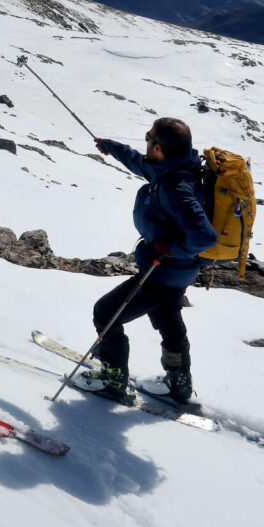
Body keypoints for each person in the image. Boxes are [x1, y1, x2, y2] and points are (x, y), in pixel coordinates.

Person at [77, 118, 217, 404]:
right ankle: (178, 383)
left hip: (163, 271)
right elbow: (142, 164)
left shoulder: (175, 187)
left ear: (160, 148)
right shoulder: (177, 167)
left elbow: (205, 237)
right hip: (178, 272)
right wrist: (112, 148)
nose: (146, 142)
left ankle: (114, 378)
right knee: (168, 318)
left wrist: (170, 248)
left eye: (148, 138)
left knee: (106, 313)